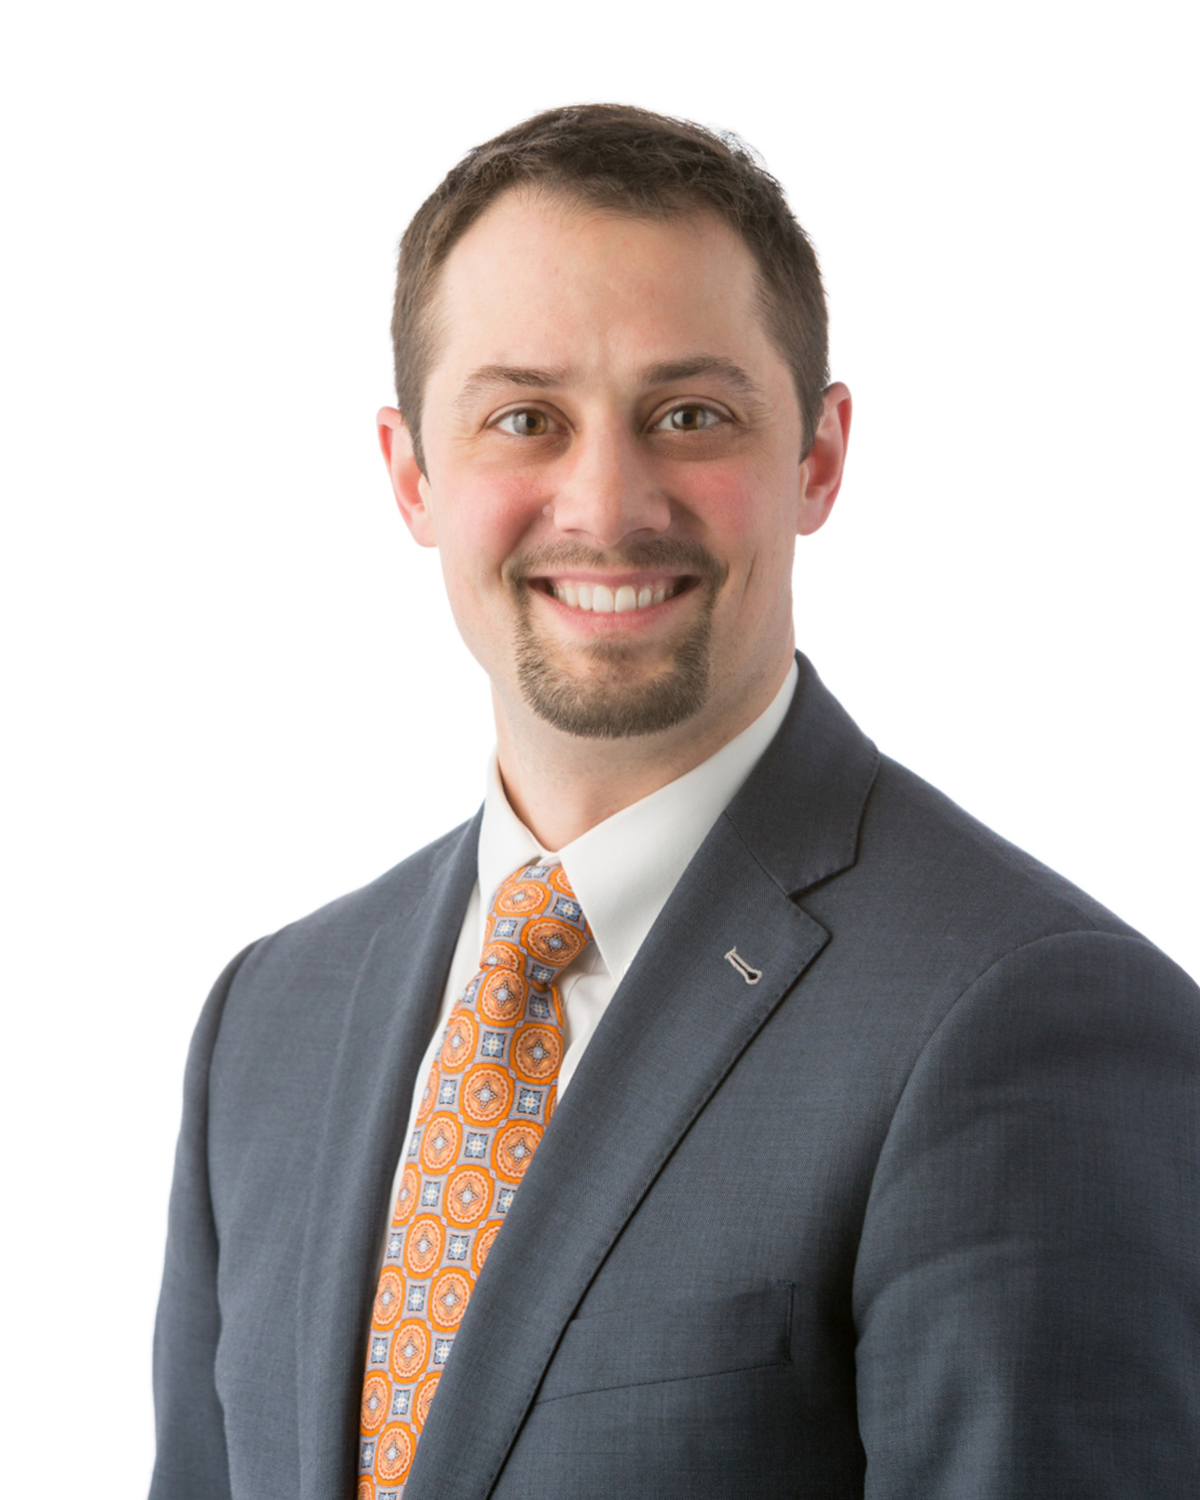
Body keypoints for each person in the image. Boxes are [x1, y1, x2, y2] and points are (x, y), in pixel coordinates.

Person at [149, 104, 1200, 1500]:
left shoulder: (1027, 1018)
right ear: (411, 476)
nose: (607, 503)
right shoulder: (270, 1024)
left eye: (690, 415)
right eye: (524, 419)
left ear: (818, 457)